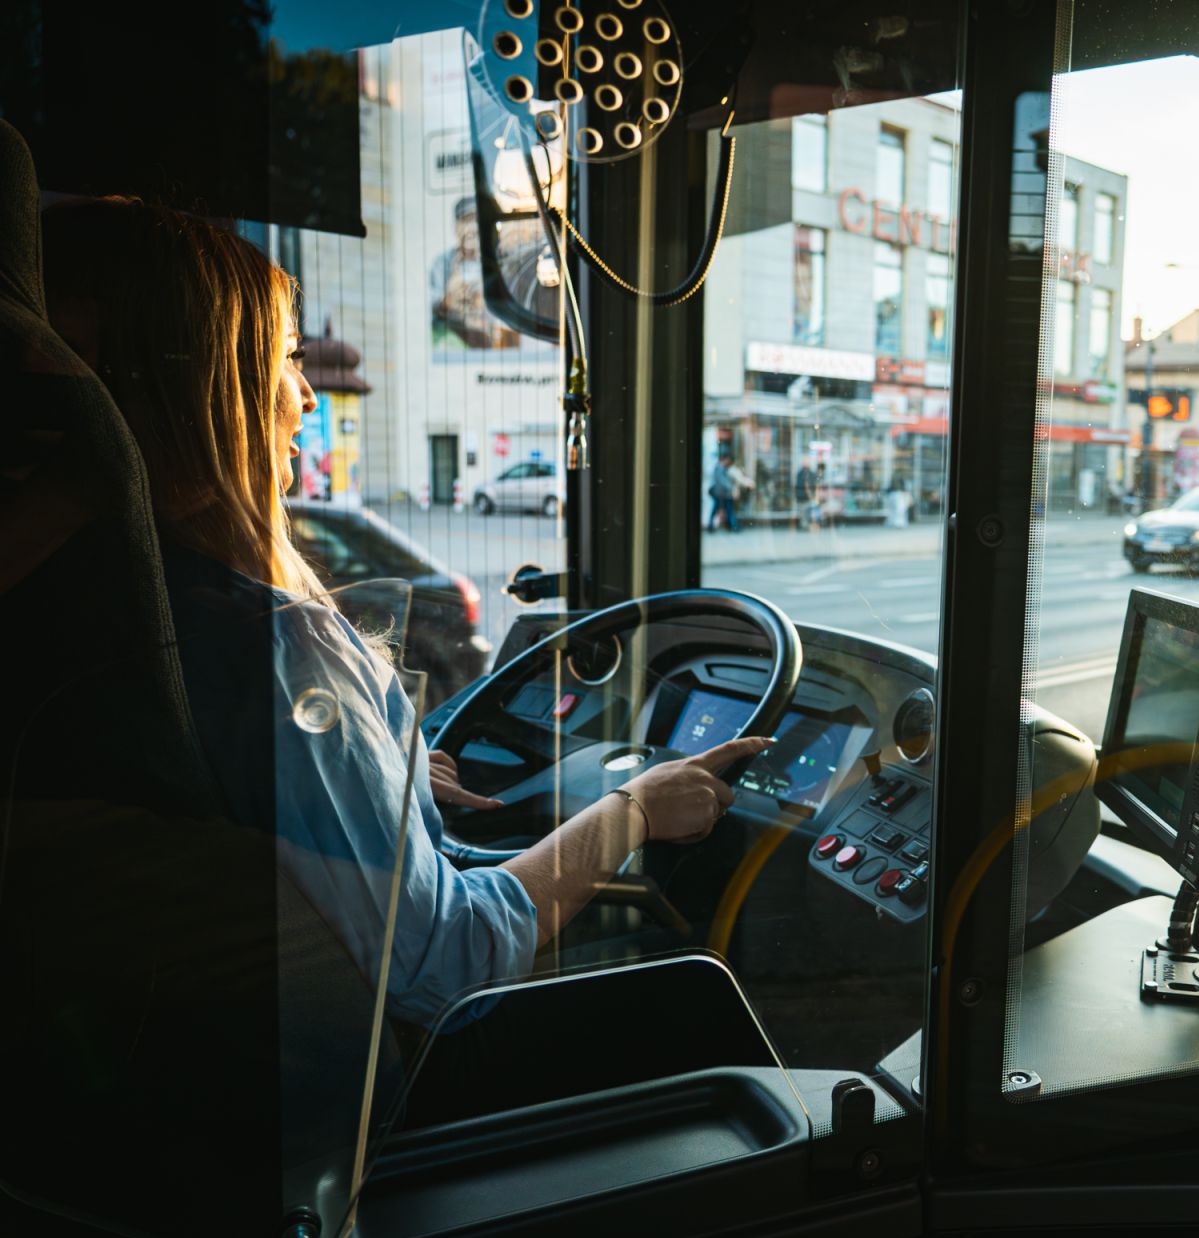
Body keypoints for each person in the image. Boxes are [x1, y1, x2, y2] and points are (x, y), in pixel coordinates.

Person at [39, 196, 770, 1033]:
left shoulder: (109, 596)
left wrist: (387, 778)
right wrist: (634, 809)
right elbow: (444, 963)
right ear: (206, 385)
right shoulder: (276, 650)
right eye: (285, 357)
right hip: (374, 1108)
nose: (307, 397)